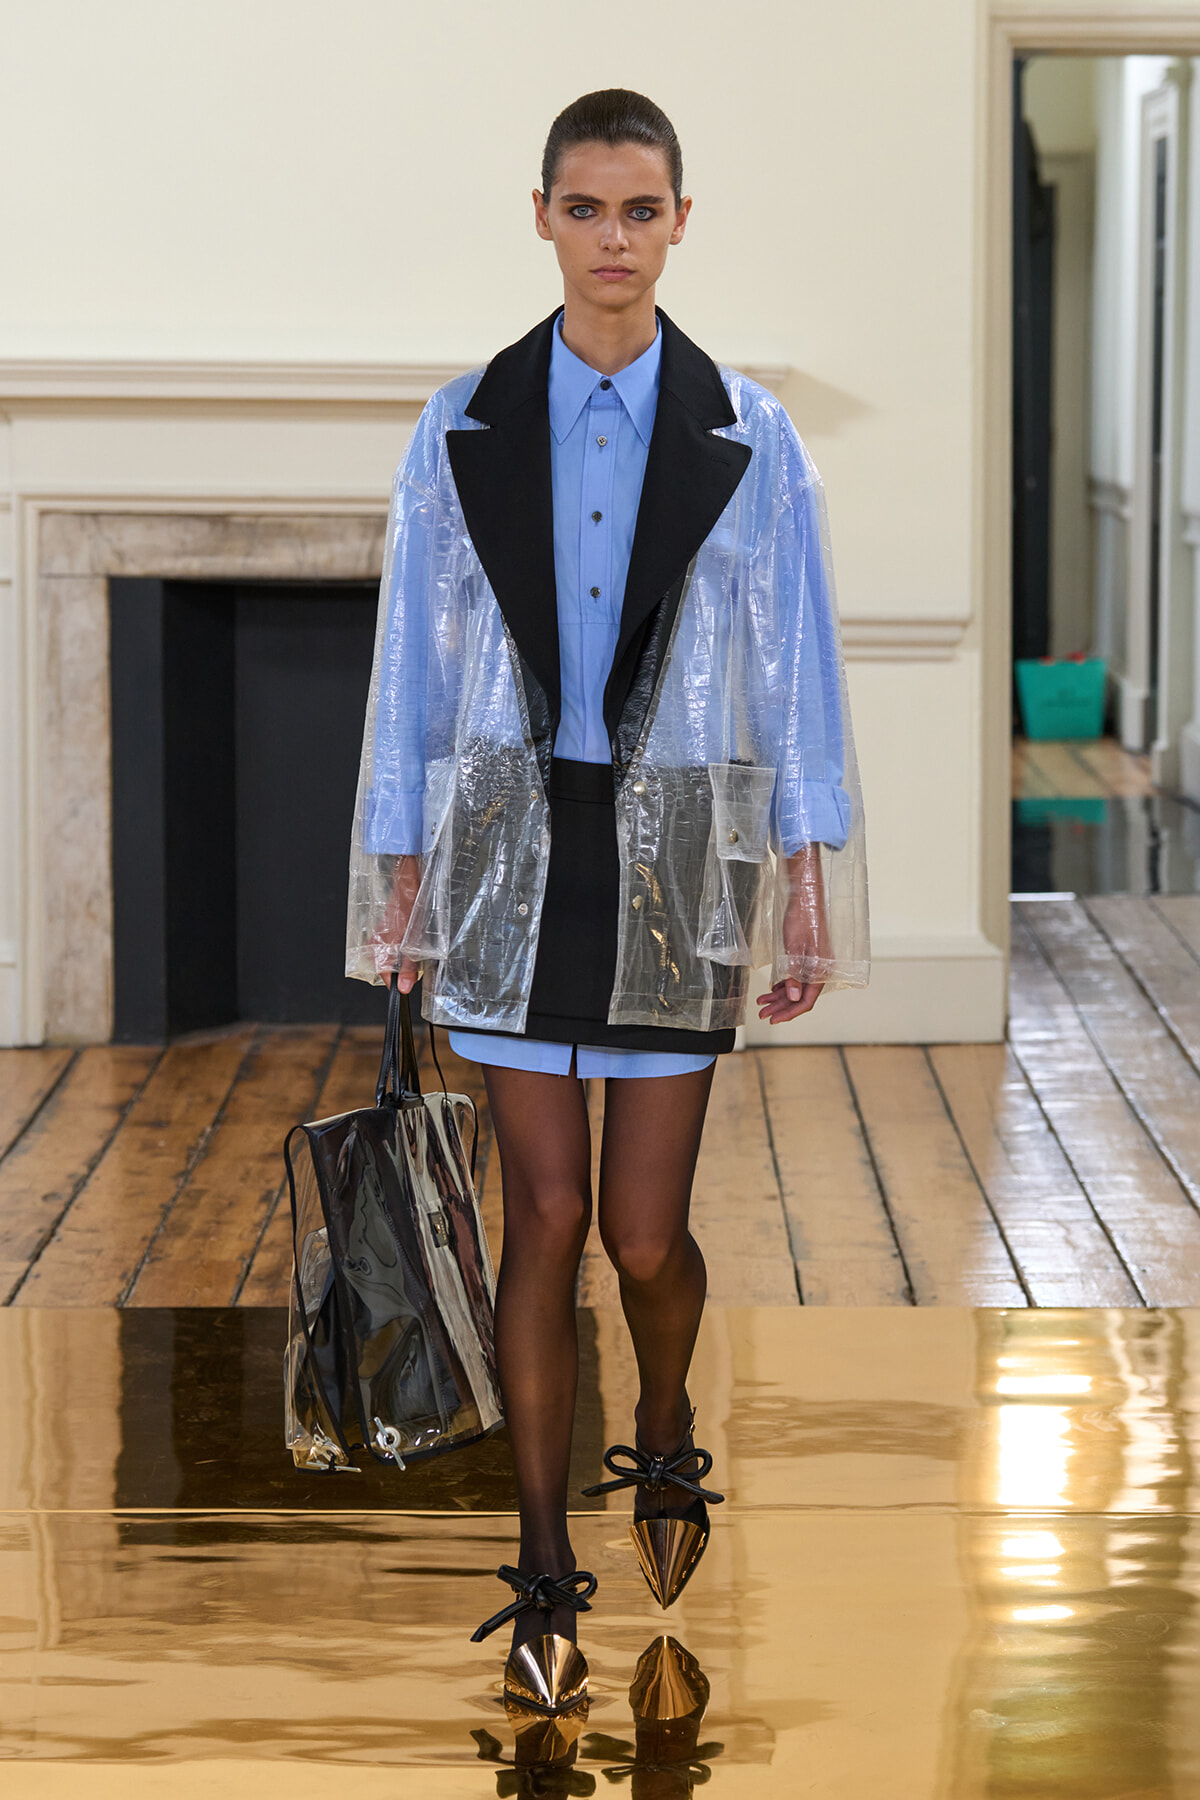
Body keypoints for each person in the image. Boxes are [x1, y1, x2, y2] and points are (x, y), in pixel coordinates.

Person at [347, 88, 868, 1719]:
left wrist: (804, 872)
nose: (616, 240)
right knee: (544, 1218)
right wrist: (399, 870)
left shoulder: (750, 433)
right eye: (588, 209)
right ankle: (544, 1565)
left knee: (643, 1234)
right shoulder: (458, 428)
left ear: (681, 223)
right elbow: (411, 660)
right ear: (545, 215)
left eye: (643, 211)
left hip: (673, 846)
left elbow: (797, 655)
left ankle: (666, 1424)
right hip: (505, 842)